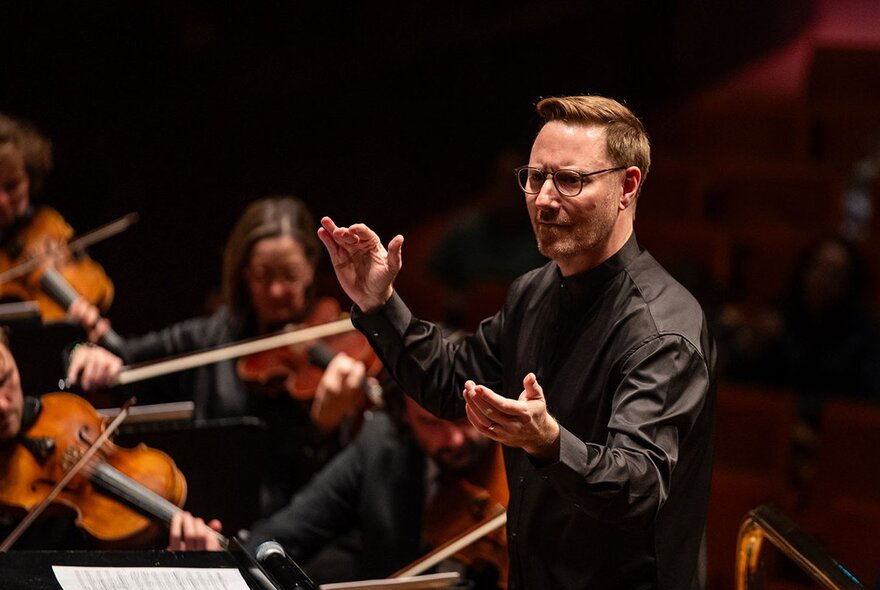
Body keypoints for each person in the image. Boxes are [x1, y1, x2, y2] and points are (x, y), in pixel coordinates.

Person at [318, 95, 716, 589]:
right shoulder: (534, 291)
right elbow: (449, 384)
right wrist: (379, 303)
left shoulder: (662, 330)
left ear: (627, 186)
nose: (544, 198)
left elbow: (637, 486)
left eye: (570, 179)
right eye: (534, 177)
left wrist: (548, 443)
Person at [66, 196, 372, 515]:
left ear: (311, 267)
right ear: (243, 273)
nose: (277, 289)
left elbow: (337, 487)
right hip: (209, 516)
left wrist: (323, 431)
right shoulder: (208, 338)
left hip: (296, 530)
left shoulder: (333, 340)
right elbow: (121, 357)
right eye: (263, 275)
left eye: (290, 274)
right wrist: (84, 352)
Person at [241, 385, 508, 588]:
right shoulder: (379, 446)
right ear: (404, 416)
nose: (454, 440)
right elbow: (279, 536)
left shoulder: (518, 457)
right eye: (430, 423)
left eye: (463, 419)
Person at [0, 332, 219, 550]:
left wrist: (82, 350)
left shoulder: (55, 402)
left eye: (5, 379)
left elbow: (73, 347)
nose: (3, 405)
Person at [0, 112, 114, 329]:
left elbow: (97, 288)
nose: (2, 201)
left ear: (30, 178)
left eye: (12, 186)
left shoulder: (48, 223)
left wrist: (60, 276)